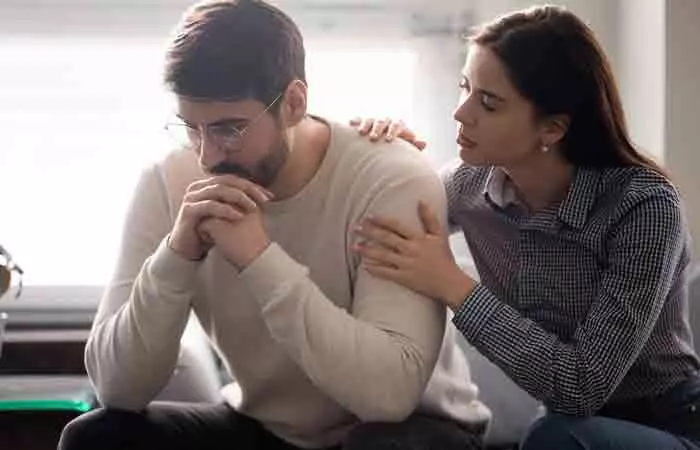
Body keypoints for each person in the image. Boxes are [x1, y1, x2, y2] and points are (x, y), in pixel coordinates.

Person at [57, 1, 491, 449]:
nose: (207, 156)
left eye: (230, 129)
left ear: (295, 103)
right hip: (268, 430)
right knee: (96, 437)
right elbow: (117, 388)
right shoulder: (169, 182)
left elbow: (388, 398)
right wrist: (177, 254)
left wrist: (258, 259)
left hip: (414, 429)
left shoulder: (389, 177)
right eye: (192, 128)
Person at [351, 4, 700, 450]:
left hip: (668, 423)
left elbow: (582, 387)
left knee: (550, 437)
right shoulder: (468, 184)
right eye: (465, 87)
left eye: (488, 103)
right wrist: (385, 156)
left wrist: (451, 284)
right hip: (566, 426)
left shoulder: (644, 207)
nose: (461, 113)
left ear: (552, 129)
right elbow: (381, 222)